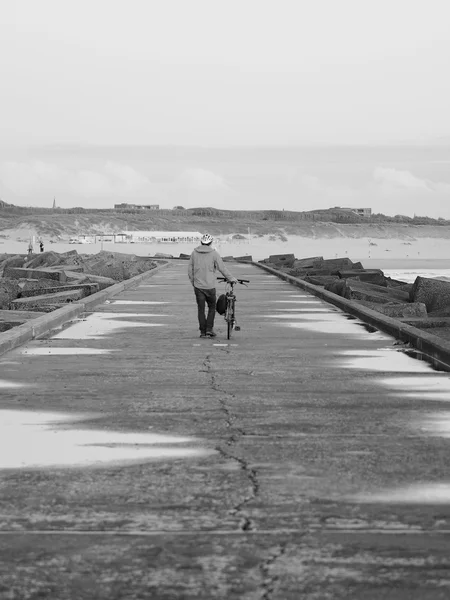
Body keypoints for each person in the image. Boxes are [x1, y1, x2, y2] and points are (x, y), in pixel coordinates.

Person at [188, 233, 237, 338]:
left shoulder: (194, 253)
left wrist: (194, 283)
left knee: (200, 309)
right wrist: (231, 278)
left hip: (198, 287)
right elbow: (222, 268)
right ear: (210, 243)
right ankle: (209, 329)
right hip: (210, 286)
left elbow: (190, 271)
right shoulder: (214, 253)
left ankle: (202, 332)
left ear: (201, 242)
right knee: (212, 307)